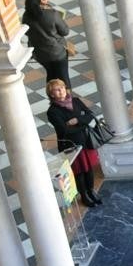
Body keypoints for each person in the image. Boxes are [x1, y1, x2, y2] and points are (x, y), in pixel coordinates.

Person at [44, 79, 102, 207]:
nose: (62, 91)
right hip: (72, 145)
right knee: (79, 171)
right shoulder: (53, 111)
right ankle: (84, 195)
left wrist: (76, 120)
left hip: (86, 141)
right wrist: (83, 122)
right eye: (57, 90)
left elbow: (90, 115)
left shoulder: (75, 101)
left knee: (89, 169)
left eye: (63, 88)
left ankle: (91, 191)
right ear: (52, 94)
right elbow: (64, 130)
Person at [22, 0, 71, 87]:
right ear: (42, 0)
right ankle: (66, 99)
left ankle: (52, 96)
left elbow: (27, 32)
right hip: (57, 52)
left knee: (51, 75)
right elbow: (65, 31)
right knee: (63, 77)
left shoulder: (26, 16)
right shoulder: (52, 14)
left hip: (39, 54)